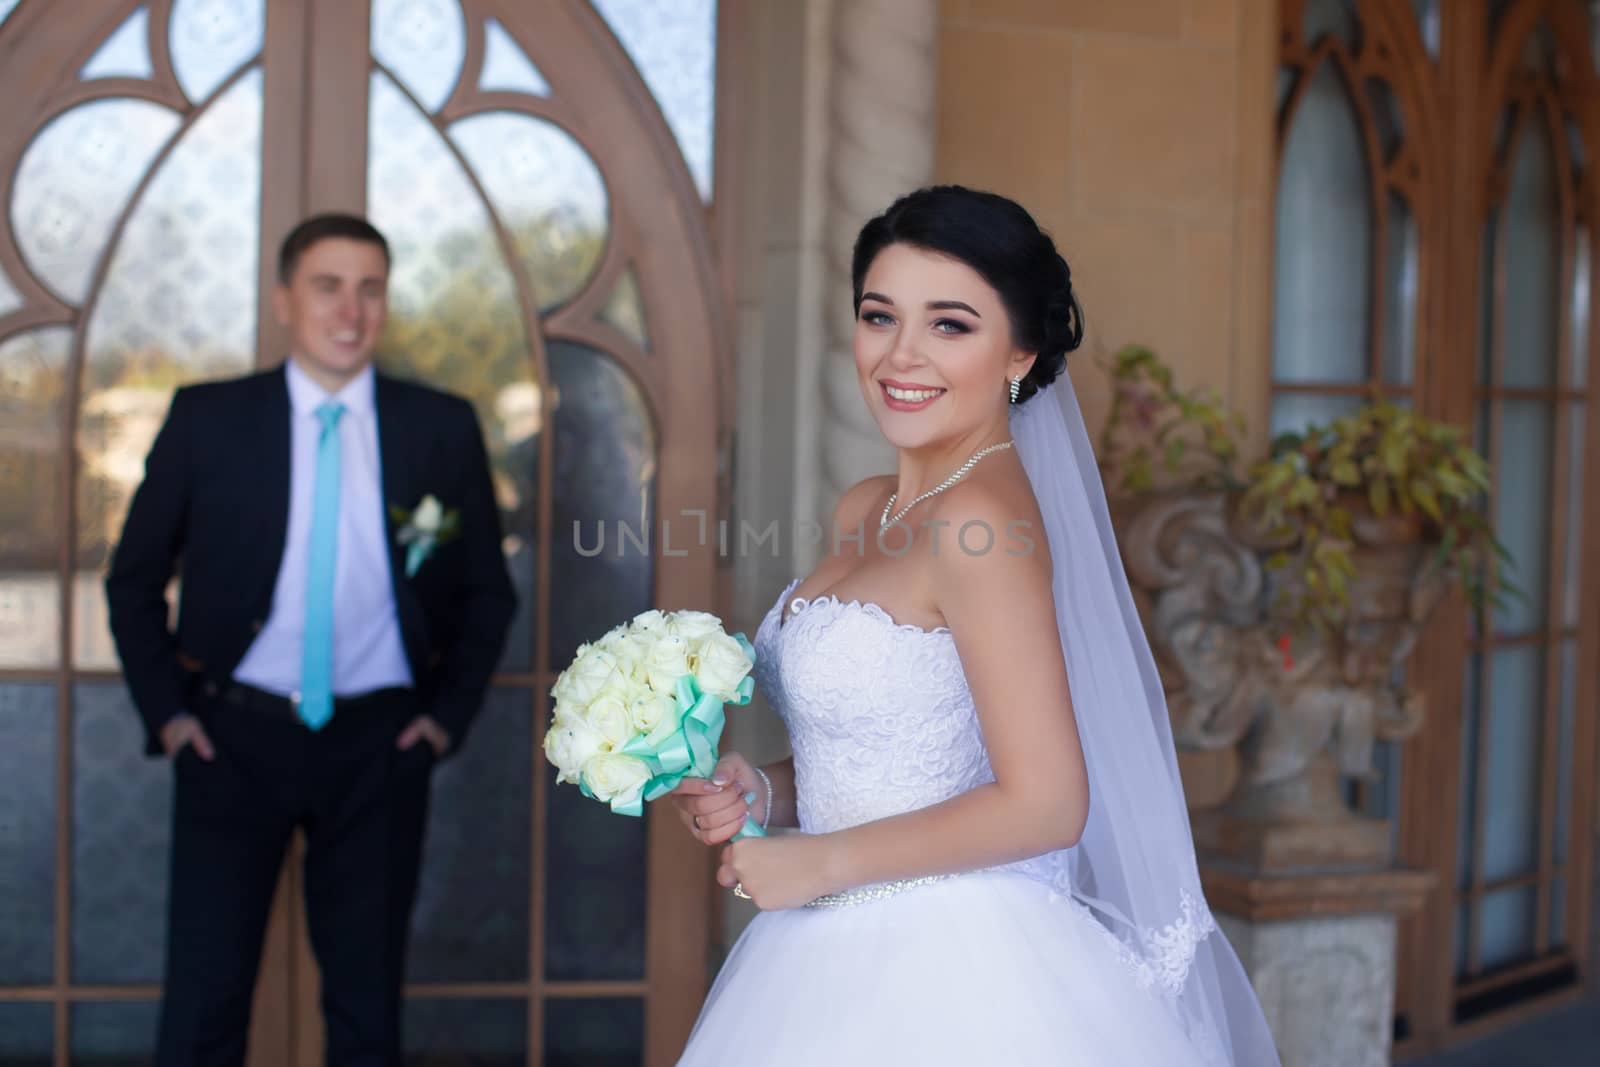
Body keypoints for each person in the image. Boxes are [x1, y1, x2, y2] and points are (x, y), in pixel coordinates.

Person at [669, 186, 1281, 1065]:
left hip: (954, 966)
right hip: (824, 949)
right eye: (880, 316)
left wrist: (823, 862)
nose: (901, 355)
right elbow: (909, 743)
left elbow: (1047, 801)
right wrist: (767, 792)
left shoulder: (980, 527)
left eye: (949, 324)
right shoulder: (868, 507)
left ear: (1019, 353)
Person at [105, 213, 517, 1066]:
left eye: (371, 289)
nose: (350, 309)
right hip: (230, 737)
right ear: (285, 299)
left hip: (380, 745)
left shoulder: (438, 427)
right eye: (328, 285)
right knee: (205, 1000)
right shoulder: (208, 419)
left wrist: (444, 718)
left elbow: (487, 590)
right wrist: (172, 715)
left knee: (367, 1006)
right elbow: (133, 578)